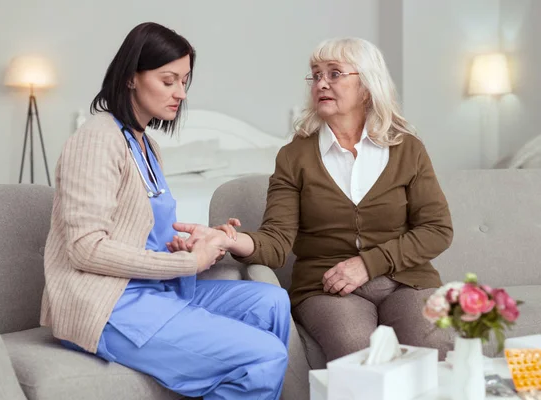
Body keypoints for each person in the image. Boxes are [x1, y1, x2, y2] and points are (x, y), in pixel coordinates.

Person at [40, 22, 290, 400]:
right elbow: (85, 247)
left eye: (184, 81)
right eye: (168, 80)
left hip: (157, 292)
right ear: (130, 78)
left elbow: (139, 232)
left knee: (272, 301)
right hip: (109, 307)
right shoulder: (96, 139)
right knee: (265, 356)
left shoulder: (147, 146)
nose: (180, 93)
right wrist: (188, 264)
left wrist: (193, 244)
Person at [170, 37, 454, 361]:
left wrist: (367, 264)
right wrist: (228, 239)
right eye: (316, 75)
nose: (321, 83)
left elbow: (437, 229)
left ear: (367, 85)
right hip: (327, 287)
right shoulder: (294, 156)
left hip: (405, 281)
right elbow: (276, 242)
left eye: (335, 74)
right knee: (355, 348)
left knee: (434, 340)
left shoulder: (407, 149)